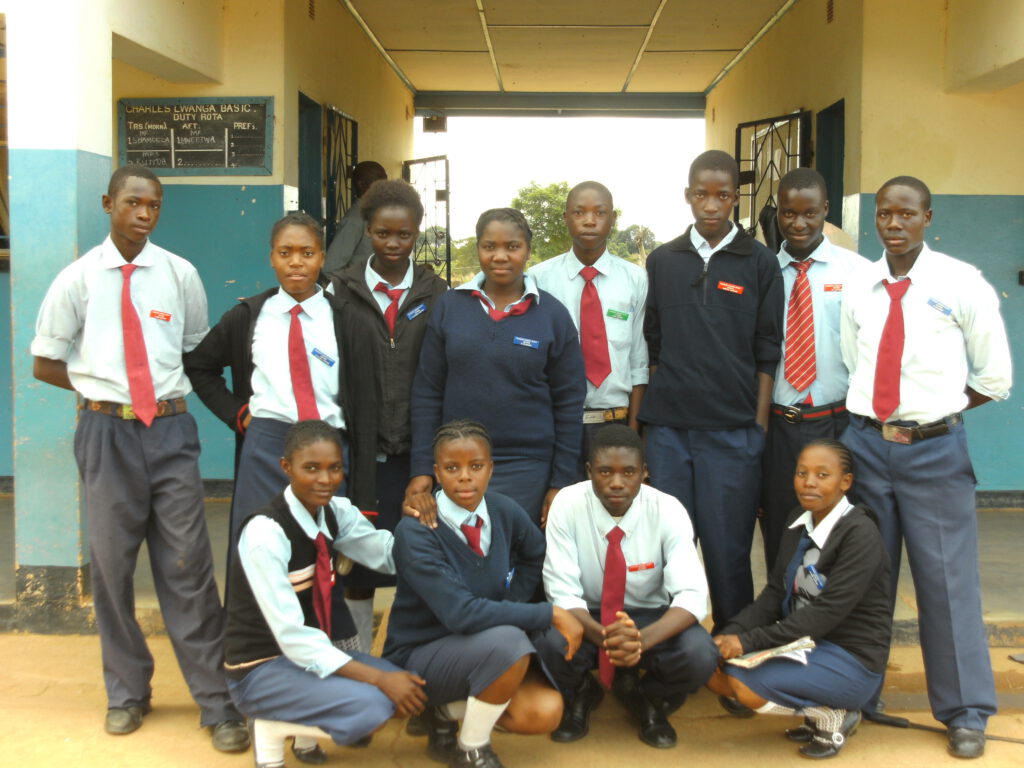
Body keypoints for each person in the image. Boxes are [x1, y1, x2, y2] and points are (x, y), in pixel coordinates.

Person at [30, 165, 248, 751]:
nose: (144, 214)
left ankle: (217, 701)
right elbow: (44, 362)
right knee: (112, 567)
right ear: (109, 204)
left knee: (188, 566)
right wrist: (103, 388)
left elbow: (194, 352)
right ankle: (126, 693)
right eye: (132, 203)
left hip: (171, 432)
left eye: (153, 205)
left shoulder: (180, 275)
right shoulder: (77, 279)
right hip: (106, 433)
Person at [839, 176, 1012, 759]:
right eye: (885, 214)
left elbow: (994, 377)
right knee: (864, 578)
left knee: (947, 582)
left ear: (928, 218)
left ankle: (965, 712)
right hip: (867, 447)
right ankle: (855, 695)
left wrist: (935, 414)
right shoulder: (860, 285)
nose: (894, 223)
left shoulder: (962, 284)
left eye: (906, 214)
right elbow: (854, 362)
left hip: (934, 451)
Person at [224, 420, 427, 768]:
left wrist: (432, 534)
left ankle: (304, 736)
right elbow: (292, 636)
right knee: (374, 706)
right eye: (311, 468)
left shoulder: (334, 511)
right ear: (286, 467)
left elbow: (387, 552)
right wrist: (379, 678)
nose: (325, 479)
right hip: (261, 668)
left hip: (307, 658)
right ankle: (269, 726)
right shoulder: (265, 534)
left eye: (334, 468)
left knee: (404, 691)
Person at [640, 149, 784, 629]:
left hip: (732, 435)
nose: (711, 205)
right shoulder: (663, 260)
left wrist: (757, 429)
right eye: (701, 194)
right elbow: (653, 344)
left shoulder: (760, 262)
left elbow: (768, 350)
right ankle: (668, 657)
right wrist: (655, 422)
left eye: (722, 195)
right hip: (669, 436)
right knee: (668, 553)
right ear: (688, 195)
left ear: (735, 197)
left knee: (728, 553)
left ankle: (732, 647)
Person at [387, 420, 584, 768]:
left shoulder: (502, 509)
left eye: (475, 466)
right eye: (452, 468)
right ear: (436, 472)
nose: (465, 477)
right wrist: (548, 613)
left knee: (544, 711)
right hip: (420, 655)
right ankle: (472, 749)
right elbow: (460, 614)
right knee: (509, 642)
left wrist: (510, 603)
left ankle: (443, 713)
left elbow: (535, 553)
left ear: (490, 469)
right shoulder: (416, 531)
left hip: (483, 644)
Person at [184, 211, 378, 552]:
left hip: (329, 449)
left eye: (307, 253)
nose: (296, 262)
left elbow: (365, 409)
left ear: (322, 257)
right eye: (285, 253)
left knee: (321, 554)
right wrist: (237, 414)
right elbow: (199, 365)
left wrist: (364, 496)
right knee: (261, 551)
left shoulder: (349, 321)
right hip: (267, 450)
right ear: (272, 257)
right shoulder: (248, 317)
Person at [708, 439, 892, 759]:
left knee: (741, 683)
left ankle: (832, 715)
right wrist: (731, 633)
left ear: (845, 482)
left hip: (850, 659)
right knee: (711, 668)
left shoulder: (860, 535)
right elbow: (775, 594)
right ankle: (817, 708)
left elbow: (825, 613)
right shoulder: (799, 520)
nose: (809, 482)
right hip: (806, 645)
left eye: (823, 475)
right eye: (802, 473)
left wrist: (748, 642)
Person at [536, 424, 718, 749]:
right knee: (547, 642)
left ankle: (649, 697)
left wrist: (640, 641)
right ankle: (582, 691)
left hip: (649, 618)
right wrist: (605, 636)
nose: (617, 482)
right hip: (588, 615)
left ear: (644, 472)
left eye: (629, 472)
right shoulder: (566, 504)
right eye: (605, 471)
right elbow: (562, 592)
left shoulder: (668, 509)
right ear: (589, 470)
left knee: (700, 654)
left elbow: (692, 597)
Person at [406, 208, 586, 526]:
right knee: (460, 550)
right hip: (457, 462)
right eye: (489, 246)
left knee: (517, 550)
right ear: (478, 248)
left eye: (512, 247)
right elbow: (427, 392)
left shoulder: (552, 315)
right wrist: (422, 467)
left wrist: (561, 480)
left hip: (527, 467)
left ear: (527, 250)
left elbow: (569, 403)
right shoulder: (449, 307)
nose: (500, 256)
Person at [329, 178, 448, 652]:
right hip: (362, 454)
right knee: (357, 567)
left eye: (404, 234)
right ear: (367, 231)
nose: (393, 244)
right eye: (382, 233)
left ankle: (405, 663)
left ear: (417, 232)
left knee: (417, 564)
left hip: (419, 457)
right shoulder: (341, 293)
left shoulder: (438, 294)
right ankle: (358, 663)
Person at [761, 168, 869, 571]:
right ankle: (783, 607)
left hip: (837, 422)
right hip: (779, 425)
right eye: (789, 213)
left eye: (810, 213)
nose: (799, 223)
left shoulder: (857, 272)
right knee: (780, 533)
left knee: (837, 536)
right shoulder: (763, 271)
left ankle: (829, 610)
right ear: (777, 214)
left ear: (825, 210)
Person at [529, 182, 648, 474]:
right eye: (579, 212)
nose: (590, 221)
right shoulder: (539, 279)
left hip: (615, 423)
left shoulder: (635, 279)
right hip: (557, 425)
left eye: (600, 212)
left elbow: (639, 363)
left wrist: (632, 435)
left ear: (613, 218)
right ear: (566, 217)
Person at [324, 161, 388, 275]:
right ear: (362, 185)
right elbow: (330, 268)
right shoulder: (355, 219)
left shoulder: (374, 215)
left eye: (386, 180)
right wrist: (357, 285)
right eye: (379, 180)